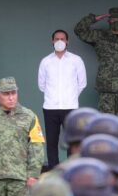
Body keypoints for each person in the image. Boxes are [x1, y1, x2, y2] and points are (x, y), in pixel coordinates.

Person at [74, 7, 118, 127]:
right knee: (105, 127)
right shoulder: (99, 36)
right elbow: (79, 30)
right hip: (106, 90)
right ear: (108, 20)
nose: (116, 21)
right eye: (113, 19)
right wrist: (94, 18)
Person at [37, 29, 87, 171]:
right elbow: (41, 85)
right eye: (57, 39)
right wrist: (53, 96)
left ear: (67, 41)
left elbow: (82, 83)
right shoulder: (46, 61)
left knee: (72, 142)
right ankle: (54, 171)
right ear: (52, 41)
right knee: (52, 142)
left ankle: (71, 171)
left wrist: (71, 96)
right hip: (50, 108)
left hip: (70, 107)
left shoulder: (76, 60)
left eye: (63, 39)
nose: (60, 41)